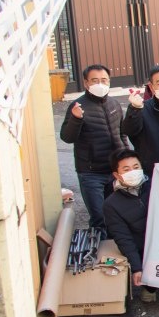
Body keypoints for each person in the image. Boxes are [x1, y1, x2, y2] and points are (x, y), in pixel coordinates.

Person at [60, 63, 125, 230]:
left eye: (104, 80)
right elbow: (67, 137)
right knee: (99, 217)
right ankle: (98, 245)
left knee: (116, 215)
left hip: (114, 171)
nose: (100, 84)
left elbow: (122, 134)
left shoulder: (114, 104)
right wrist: (76, 119)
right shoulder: (77, 106)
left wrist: (126, 160)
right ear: (86, 83)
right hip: (91, 174)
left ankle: (114, 245)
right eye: (95, 80)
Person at [101, 148, 155, 302]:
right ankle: (150, 286)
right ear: (117, 175)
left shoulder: (156, 185)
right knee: (150, 287)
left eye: (136, 167)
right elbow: (123, 238)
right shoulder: (111, 204)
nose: (133, 172)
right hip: (142, 247)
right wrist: (136, 268)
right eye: (126, 169)